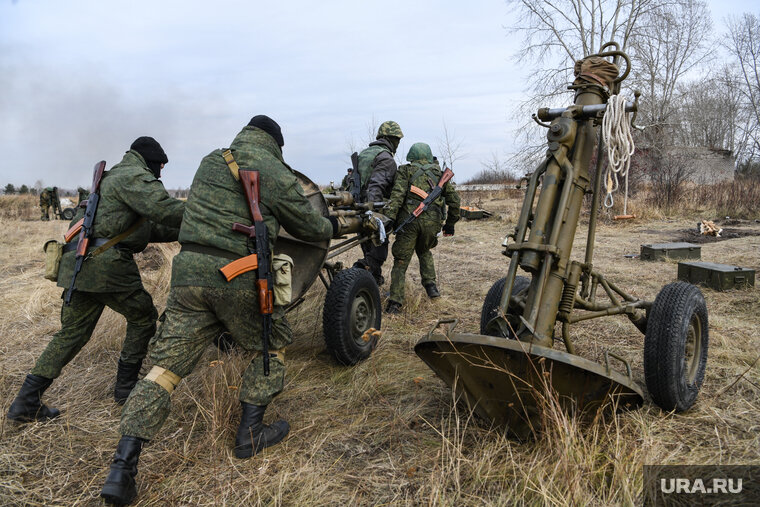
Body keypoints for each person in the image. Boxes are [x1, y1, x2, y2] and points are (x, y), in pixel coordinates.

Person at [99, 115, 340, 505]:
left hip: (187, 277)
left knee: (163, 370)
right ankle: (250, 433)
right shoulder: (272, 169)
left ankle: (121, 469)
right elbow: (311, 227)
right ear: (275, 143)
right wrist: (330, 224)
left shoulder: (211, 160)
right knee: (271, 344)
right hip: (238, 276)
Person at [6, 137, 186, 423]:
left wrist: (185, 232)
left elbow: (140, 230)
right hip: (106, 269)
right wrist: (211, 214)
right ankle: (125, 389)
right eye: (161, 165)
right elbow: (167, 210)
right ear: (153, 161)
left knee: (71, 334)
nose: (161, 170)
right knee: (143, 317)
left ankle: (25, 402)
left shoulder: (112, 179)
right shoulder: (133, 176)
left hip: (78, 266)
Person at [384, 142, 460, 313]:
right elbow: (455, 202)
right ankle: (431, 288)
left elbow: (397, 197)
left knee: (401, 261)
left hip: (409, 223)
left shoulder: (405, 170)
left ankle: (395, 302)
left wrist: (389, 219)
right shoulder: (439, 173)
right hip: (432, 223)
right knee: (424, 251)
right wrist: (450, 224)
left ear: (411, 156)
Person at [351, 120, 404, 285]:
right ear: (391, 139)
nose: (398, 144)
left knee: (368, 247)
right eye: (397, 140)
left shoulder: (364, 154)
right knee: (378, 253)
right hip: (372, 210)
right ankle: (358, 274)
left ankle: (373, 281)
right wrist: (373, 215)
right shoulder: (386, 158)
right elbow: (377, 186)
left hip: (356, 208)